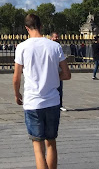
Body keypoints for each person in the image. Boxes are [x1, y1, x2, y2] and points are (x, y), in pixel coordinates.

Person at [13, 13, 71, 169]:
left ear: (26, 28)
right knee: (51, 143)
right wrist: (53, 76)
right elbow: (67, 74)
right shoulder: (55, 46)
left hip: (32, 103)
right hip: (53, 101)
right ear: (41, 26)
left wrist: (17, 94)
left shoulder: (22, 47)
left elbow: (16, 78)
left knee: (38, 148)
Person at [50, 33, 67, 112]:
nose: (57, 38)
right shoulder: (49, 46)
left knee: (59, 88)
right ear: (51, 38)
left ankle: (59, 105)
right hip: (51, 70)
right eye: (55, 37)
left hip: (58, 70)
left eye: (57, 37)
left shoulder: (59, 46)